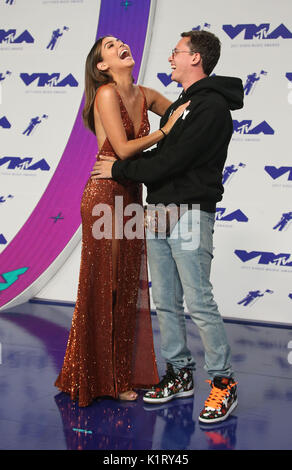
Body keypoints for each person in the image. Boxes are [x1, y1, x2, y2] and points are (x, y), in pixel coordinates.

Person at [91, 30, 244, 424]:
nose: (170, 58)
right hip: (159, 209)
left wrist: (122, 168)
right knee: (166, 301)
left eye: (177, 52)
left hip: (190, 211)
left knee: (199, 301)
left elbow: (173, 161)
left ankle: (223, 383)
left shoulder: (209, 108)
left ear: (195, 58)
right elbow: (165, 151)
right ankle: (179, 373)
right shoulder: (183, 104)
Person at [55, 35, 188, 407]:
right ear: (102, 66)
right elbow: (125, 149)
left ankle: (116, 372)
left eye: (119, 42)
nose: (120, 46)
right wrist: (165, 131)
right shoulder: (107, 95)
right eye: (110, 48)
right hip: (104, 197)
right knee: (107, 285)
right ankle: (103, 379)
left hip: (131, 195)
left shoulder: (144, 93)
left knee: (128, 284)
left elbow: (181, 107)